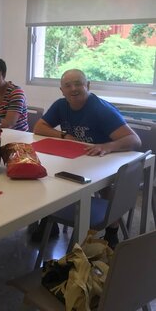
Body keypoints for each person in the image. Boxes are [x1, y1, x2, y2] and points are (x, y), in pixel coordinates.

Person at [32, 68, 141, 247]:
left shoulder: (101, 109)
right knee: (48, 174)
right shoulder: (61, 105)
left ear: (87, 85)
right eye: (68, 85)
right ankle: (49, 220)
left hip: (103, 162)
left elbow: (134, 140)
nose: (73, 89)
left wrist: (107, 146)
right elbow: (39, 127)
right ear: (62, 90)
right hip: (76, 159)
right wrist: (63, 135)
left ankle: (112, 231)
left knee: (107, 188)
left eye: (78, 84)